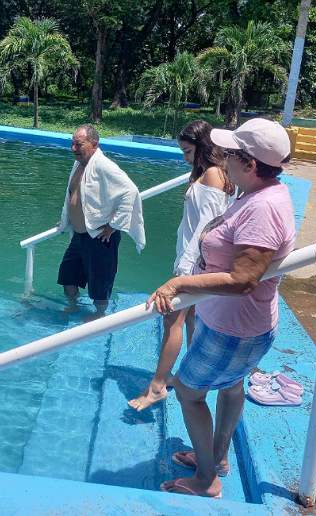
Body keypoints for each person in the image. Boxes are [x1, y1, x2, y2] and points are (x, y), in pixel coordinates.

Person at [149, 118, 295, 498]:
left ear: (250, 164)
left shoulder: (262, 209)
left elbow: (242, 280)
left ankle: (206, 480)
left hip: (233, 329)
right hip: (235, 325)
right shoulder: (259, 194)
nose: (223, 159)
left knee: (188, 392)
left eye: (230, 154)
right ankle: (217, 458)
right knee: (231, 387)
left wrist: (179, 283)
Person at [128, 120, 234, 411]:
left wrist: (184, 272)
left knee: (171, 320)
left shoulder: (212, 174)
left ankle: (157, 386)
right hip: (194, 260)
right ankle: (190, 377)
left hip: (193, 263)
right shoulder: (211, 172)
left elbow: (206, 227)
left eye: (188, 151)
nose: (185, 158)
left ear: (203, 147)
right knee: (190, 320)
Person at [57, 124, 145, 315]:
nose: (73, 148)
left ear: (94, 144)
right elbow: (73, 195)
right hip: (80, 235)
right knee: (68, 276)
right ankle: (73, 307)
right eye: (72, 144)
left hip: (100, 237)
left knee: (100, 286)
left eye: (78, 144)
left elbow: (131, 192)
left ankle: (99, 316)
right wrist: (66, 220)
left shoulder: (104, 165)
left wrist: (113, 225)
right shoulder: (79, 164)